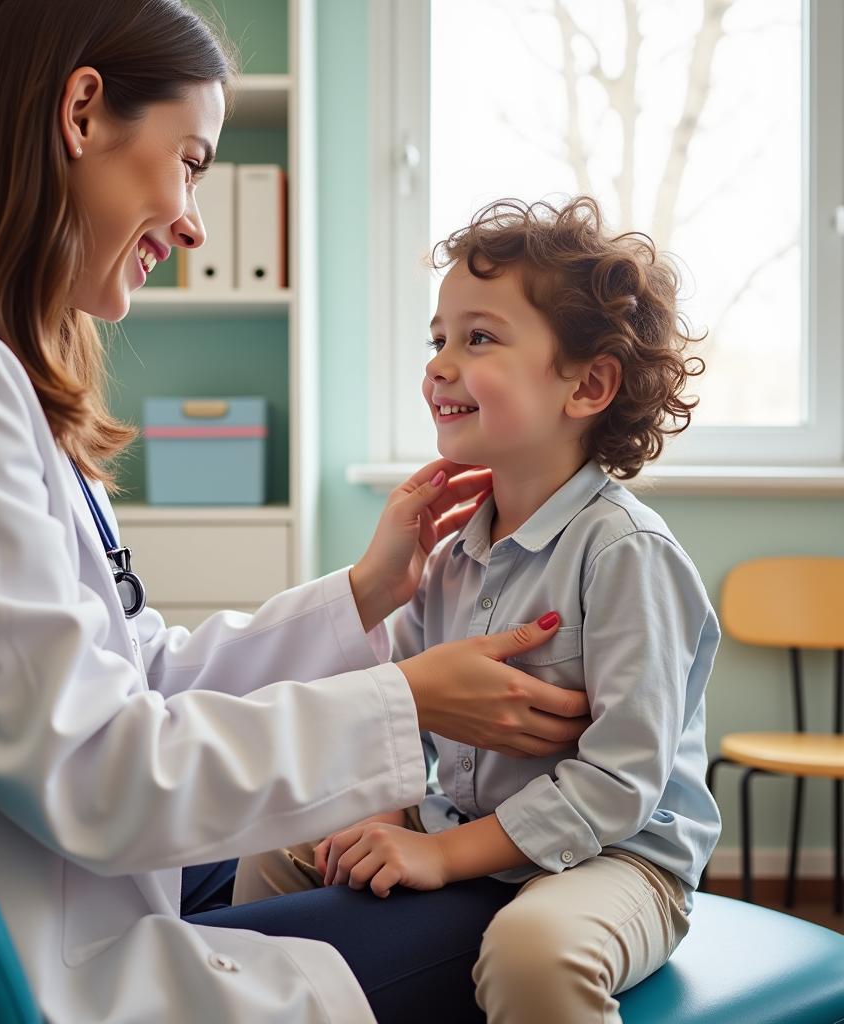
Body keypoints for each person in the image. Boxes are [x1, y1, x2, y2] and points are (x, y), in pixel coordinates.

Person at [0, 3, 595, 1022]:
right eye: (190, 161)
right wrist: (408, 700)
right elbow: (96, 766)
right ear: (82, 112)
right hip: (58, 943)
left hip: (72, 873)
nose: (194, 220)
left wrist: (365, 594)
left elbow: (133, 679)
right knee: (516, 919)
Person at [232, 196, 723, 1023]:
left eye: (479, 338)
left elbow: (620, 785)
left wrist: (440, 853)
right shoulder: (450, 552)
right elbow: (400, 714)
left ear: (589, 383)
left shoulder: (626, 554)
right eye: (438, 339)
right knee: (280, 852)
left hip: (618, 861)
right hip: (473, 831)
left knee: (535, 952)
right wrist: (383, 819)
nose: (439, 365)